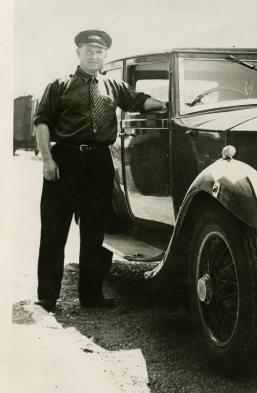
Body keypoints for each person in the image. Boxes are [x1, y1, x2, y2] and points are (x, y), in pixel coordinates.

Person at [33, 29, 166, 311]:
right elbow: (42, 122)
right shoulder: (59, 85)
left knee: (96, 232)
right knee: (54, 231)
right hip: (64, 161)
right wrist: (47, 160)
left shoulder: (113, 86)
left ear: (105, 55)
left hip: (98, 163)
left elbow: (140, 101)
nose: (94, 56)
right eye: (88, 51)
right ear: (78, 53)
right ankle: (47, 297)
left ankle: (91, 296)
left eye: (99, 52)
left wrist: (165, 106)